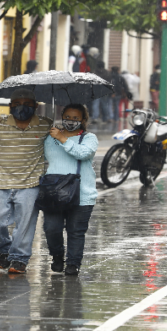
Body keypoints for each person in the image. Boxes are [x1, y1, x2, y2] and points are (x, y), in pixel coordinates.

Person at [0, 88, 53, 274]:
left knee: (26, 223)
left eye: (27, 105)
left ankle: (19, 258)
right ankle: (5, 249)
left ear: (36, 107)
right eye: (16, 104)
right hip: (1, 182)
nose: (21, 108)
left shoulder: (46, 125)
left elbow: (61, 143)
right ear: (10, 106)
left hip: (31, 183)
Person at [43, 104, 98, 276]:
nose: (70, 121)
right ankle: (57, 256)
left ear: (83, 120)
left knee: (76, 231)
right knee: (51, 228)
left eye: (75, 118)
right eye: (67, 117)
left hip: (81, 193)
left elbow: (83, 153)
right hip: (54, 193)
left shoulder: (89, 138)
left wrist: (63, 139)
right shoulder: (50, 137)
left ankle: (73, 263)